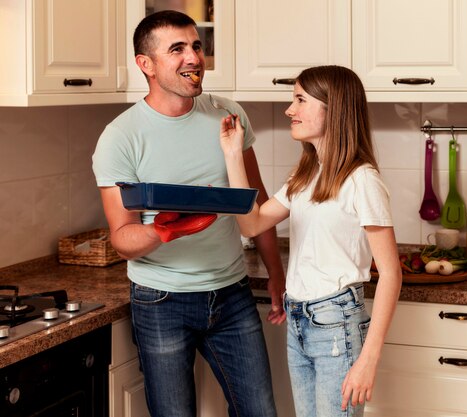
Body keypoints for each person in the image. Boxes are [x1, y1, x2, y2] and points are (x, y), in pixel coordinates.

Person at [91, 10, 285, 417]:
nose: (193, 58)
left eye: (196, 46)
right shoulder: (120, 138)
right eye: (177, 49)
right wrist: (165, 230)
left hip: (231, 295)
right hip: (161, 301)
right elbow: (122, 237)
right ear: (146, 64)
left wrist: (276, 277)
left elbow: (257, 201)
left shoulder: (228, 114)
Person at [219, 65, 402, 417]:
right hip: (299, 319)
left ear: (333, 109)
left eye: (300, 99)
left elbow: (392, 274)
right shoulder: (304, 175)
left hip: (336, 325)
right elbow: (251, 224)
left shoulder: (362, 180)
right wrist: (232, 154)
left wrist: (368, 359)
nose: (290, 110)